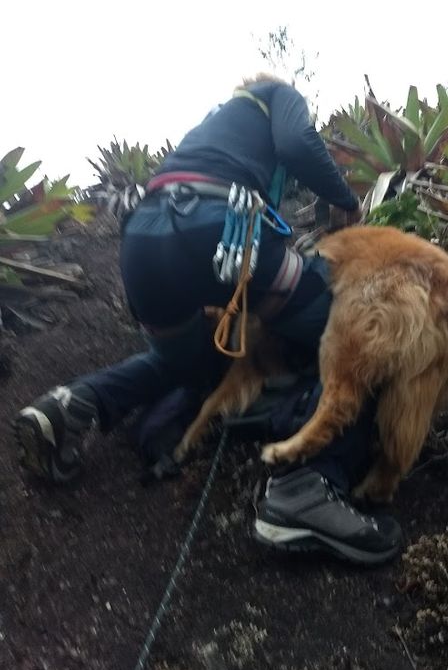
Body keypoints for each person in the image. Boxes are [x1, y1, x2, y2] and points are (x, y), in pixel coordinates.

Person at [14, 74, 402, 565]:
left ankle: (74, 402)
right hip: (222, 229)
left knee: (186, 363)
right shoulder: (277, 94)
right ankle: (308, 487)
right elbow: (300, 141)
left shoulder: (214, 124)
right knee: (355, 342)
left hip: (143, 243)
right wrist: (347, 202)